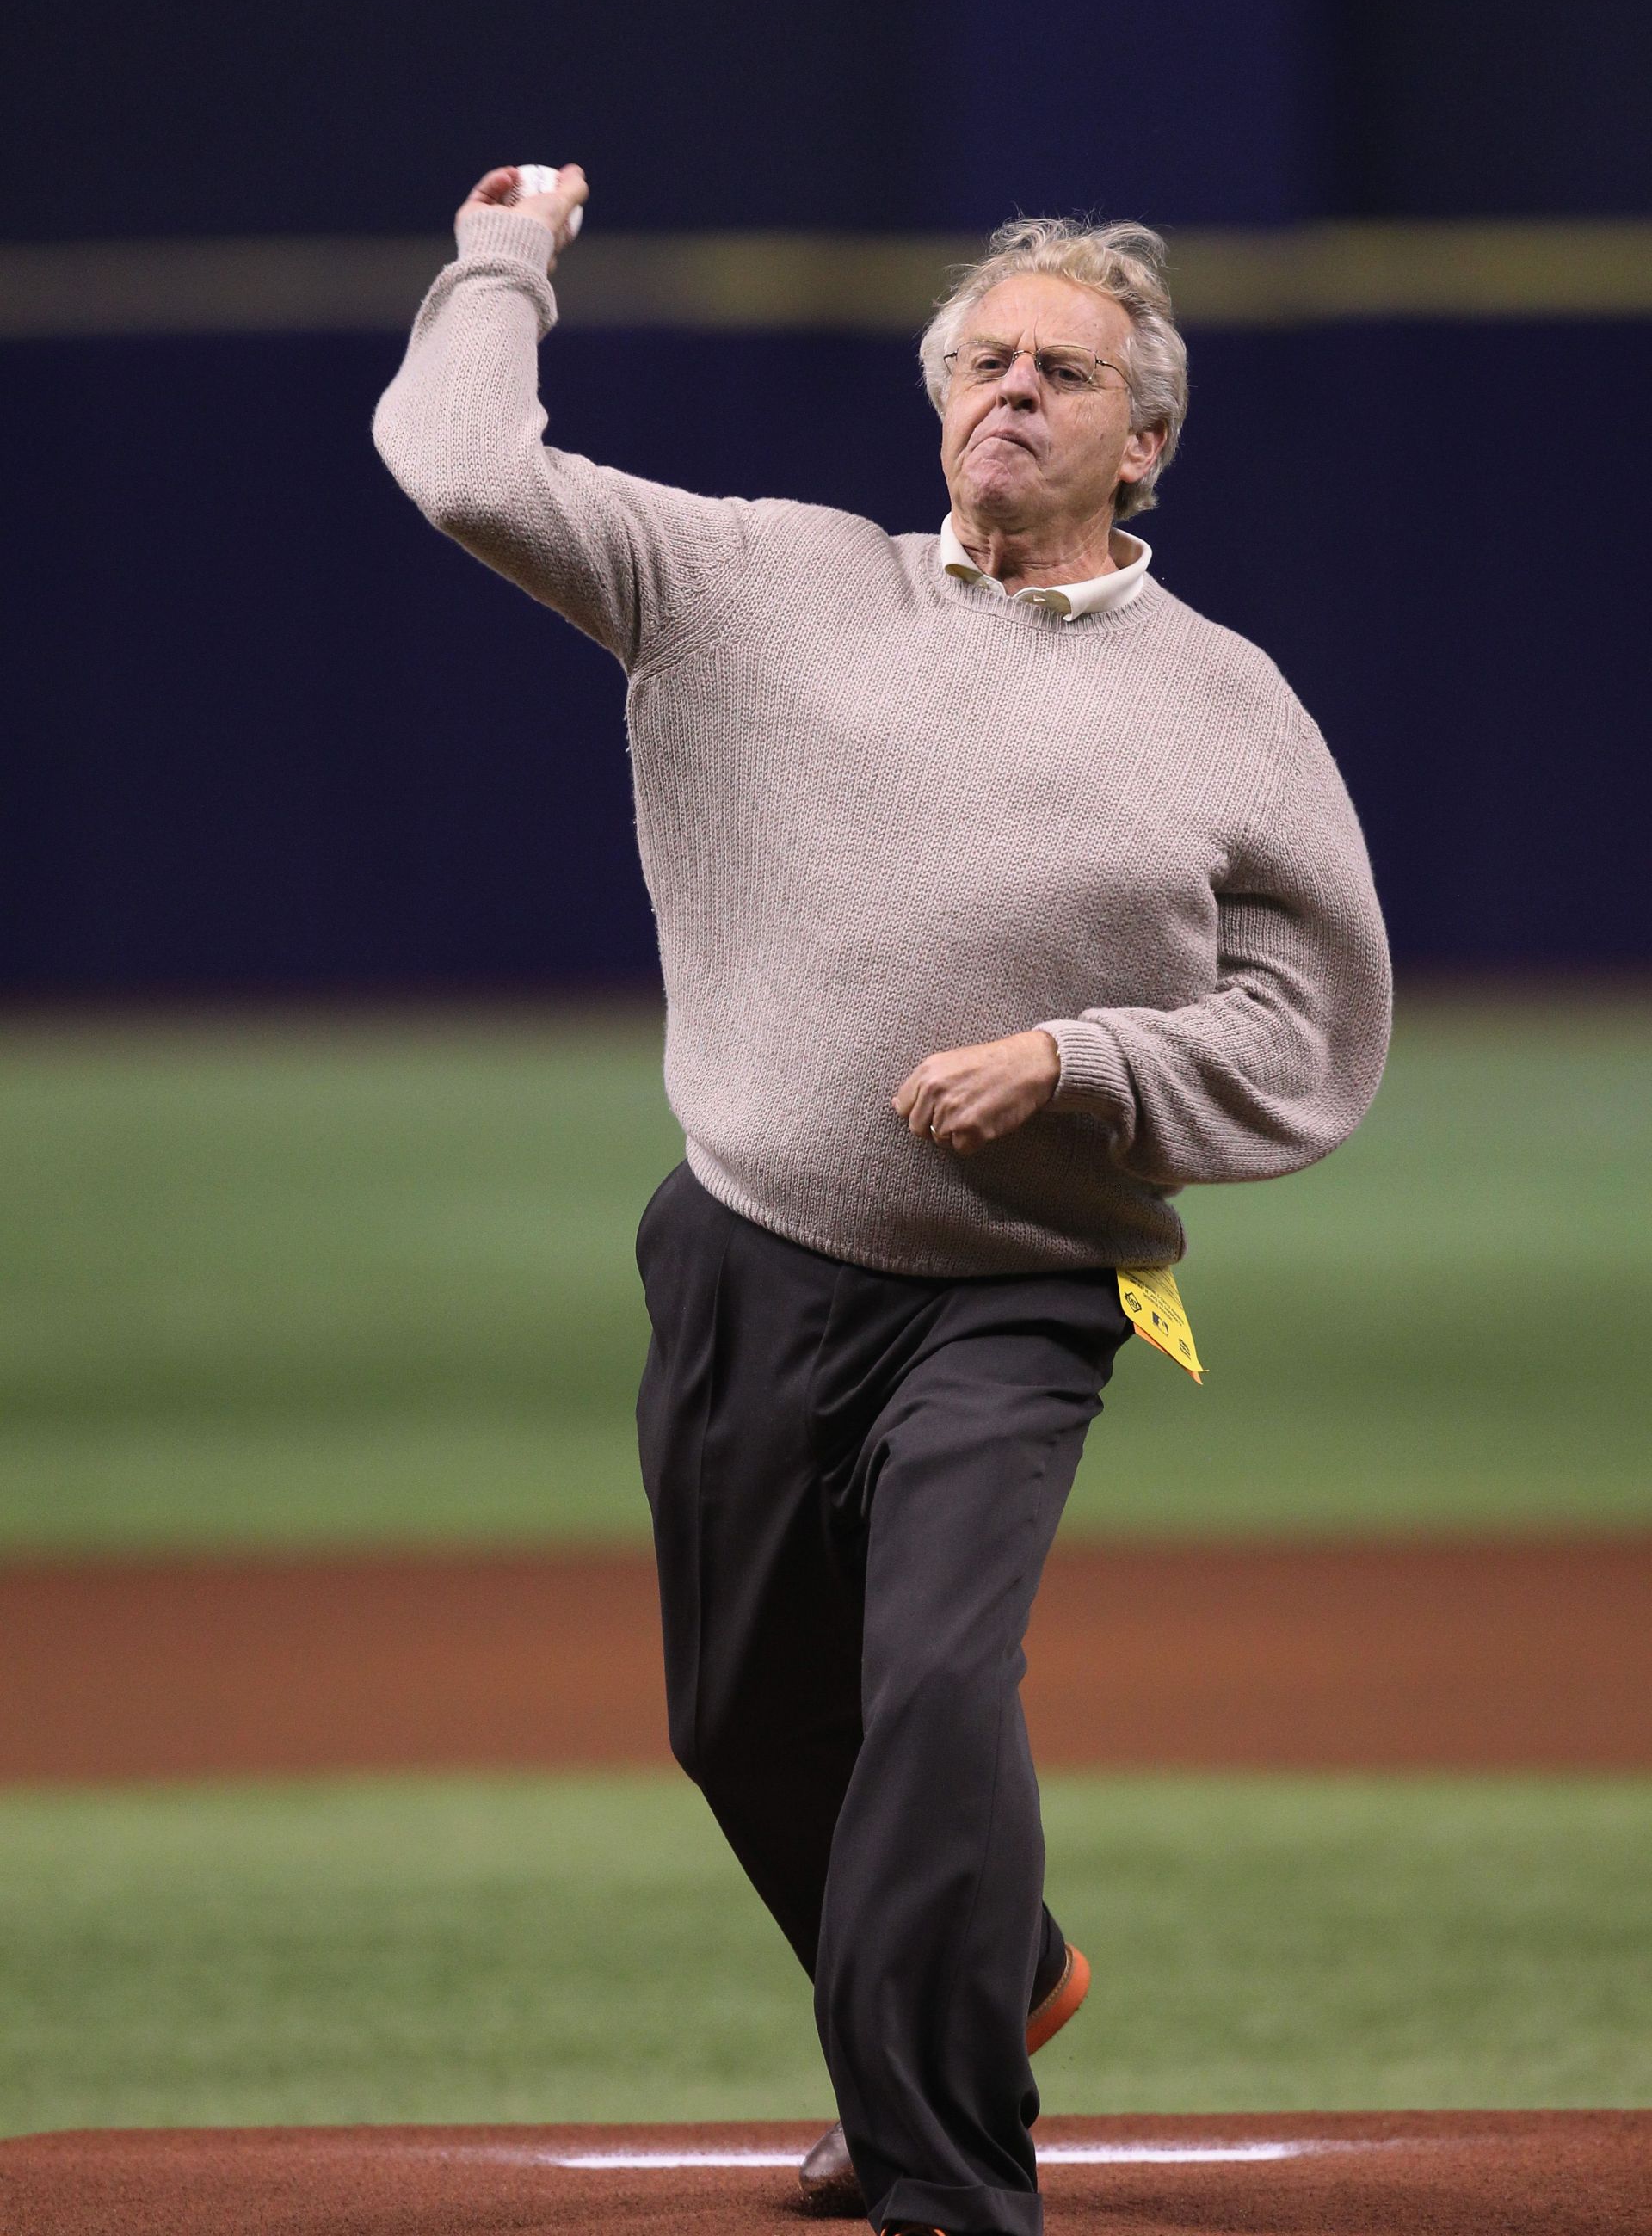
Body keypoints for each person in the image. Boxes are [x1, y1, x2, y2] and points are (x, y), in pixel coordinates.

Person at [373, 164, 1391, 2236]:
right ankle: (994, 1979)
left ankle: (948, 2184)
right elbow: (461, 465)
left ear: (1148, 437)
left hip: (1017, 1289)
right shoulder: (753, 582)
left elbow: (1317, 1027)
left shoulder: (1227, 704)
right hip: (743, 1249)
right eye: (984, 359)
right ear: (941, 403)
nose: (1012, 390)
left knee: (933, 1693)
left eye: (1064, 370)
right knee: (747, 1726)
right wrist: (505, 260)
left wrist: (1087, 1062)